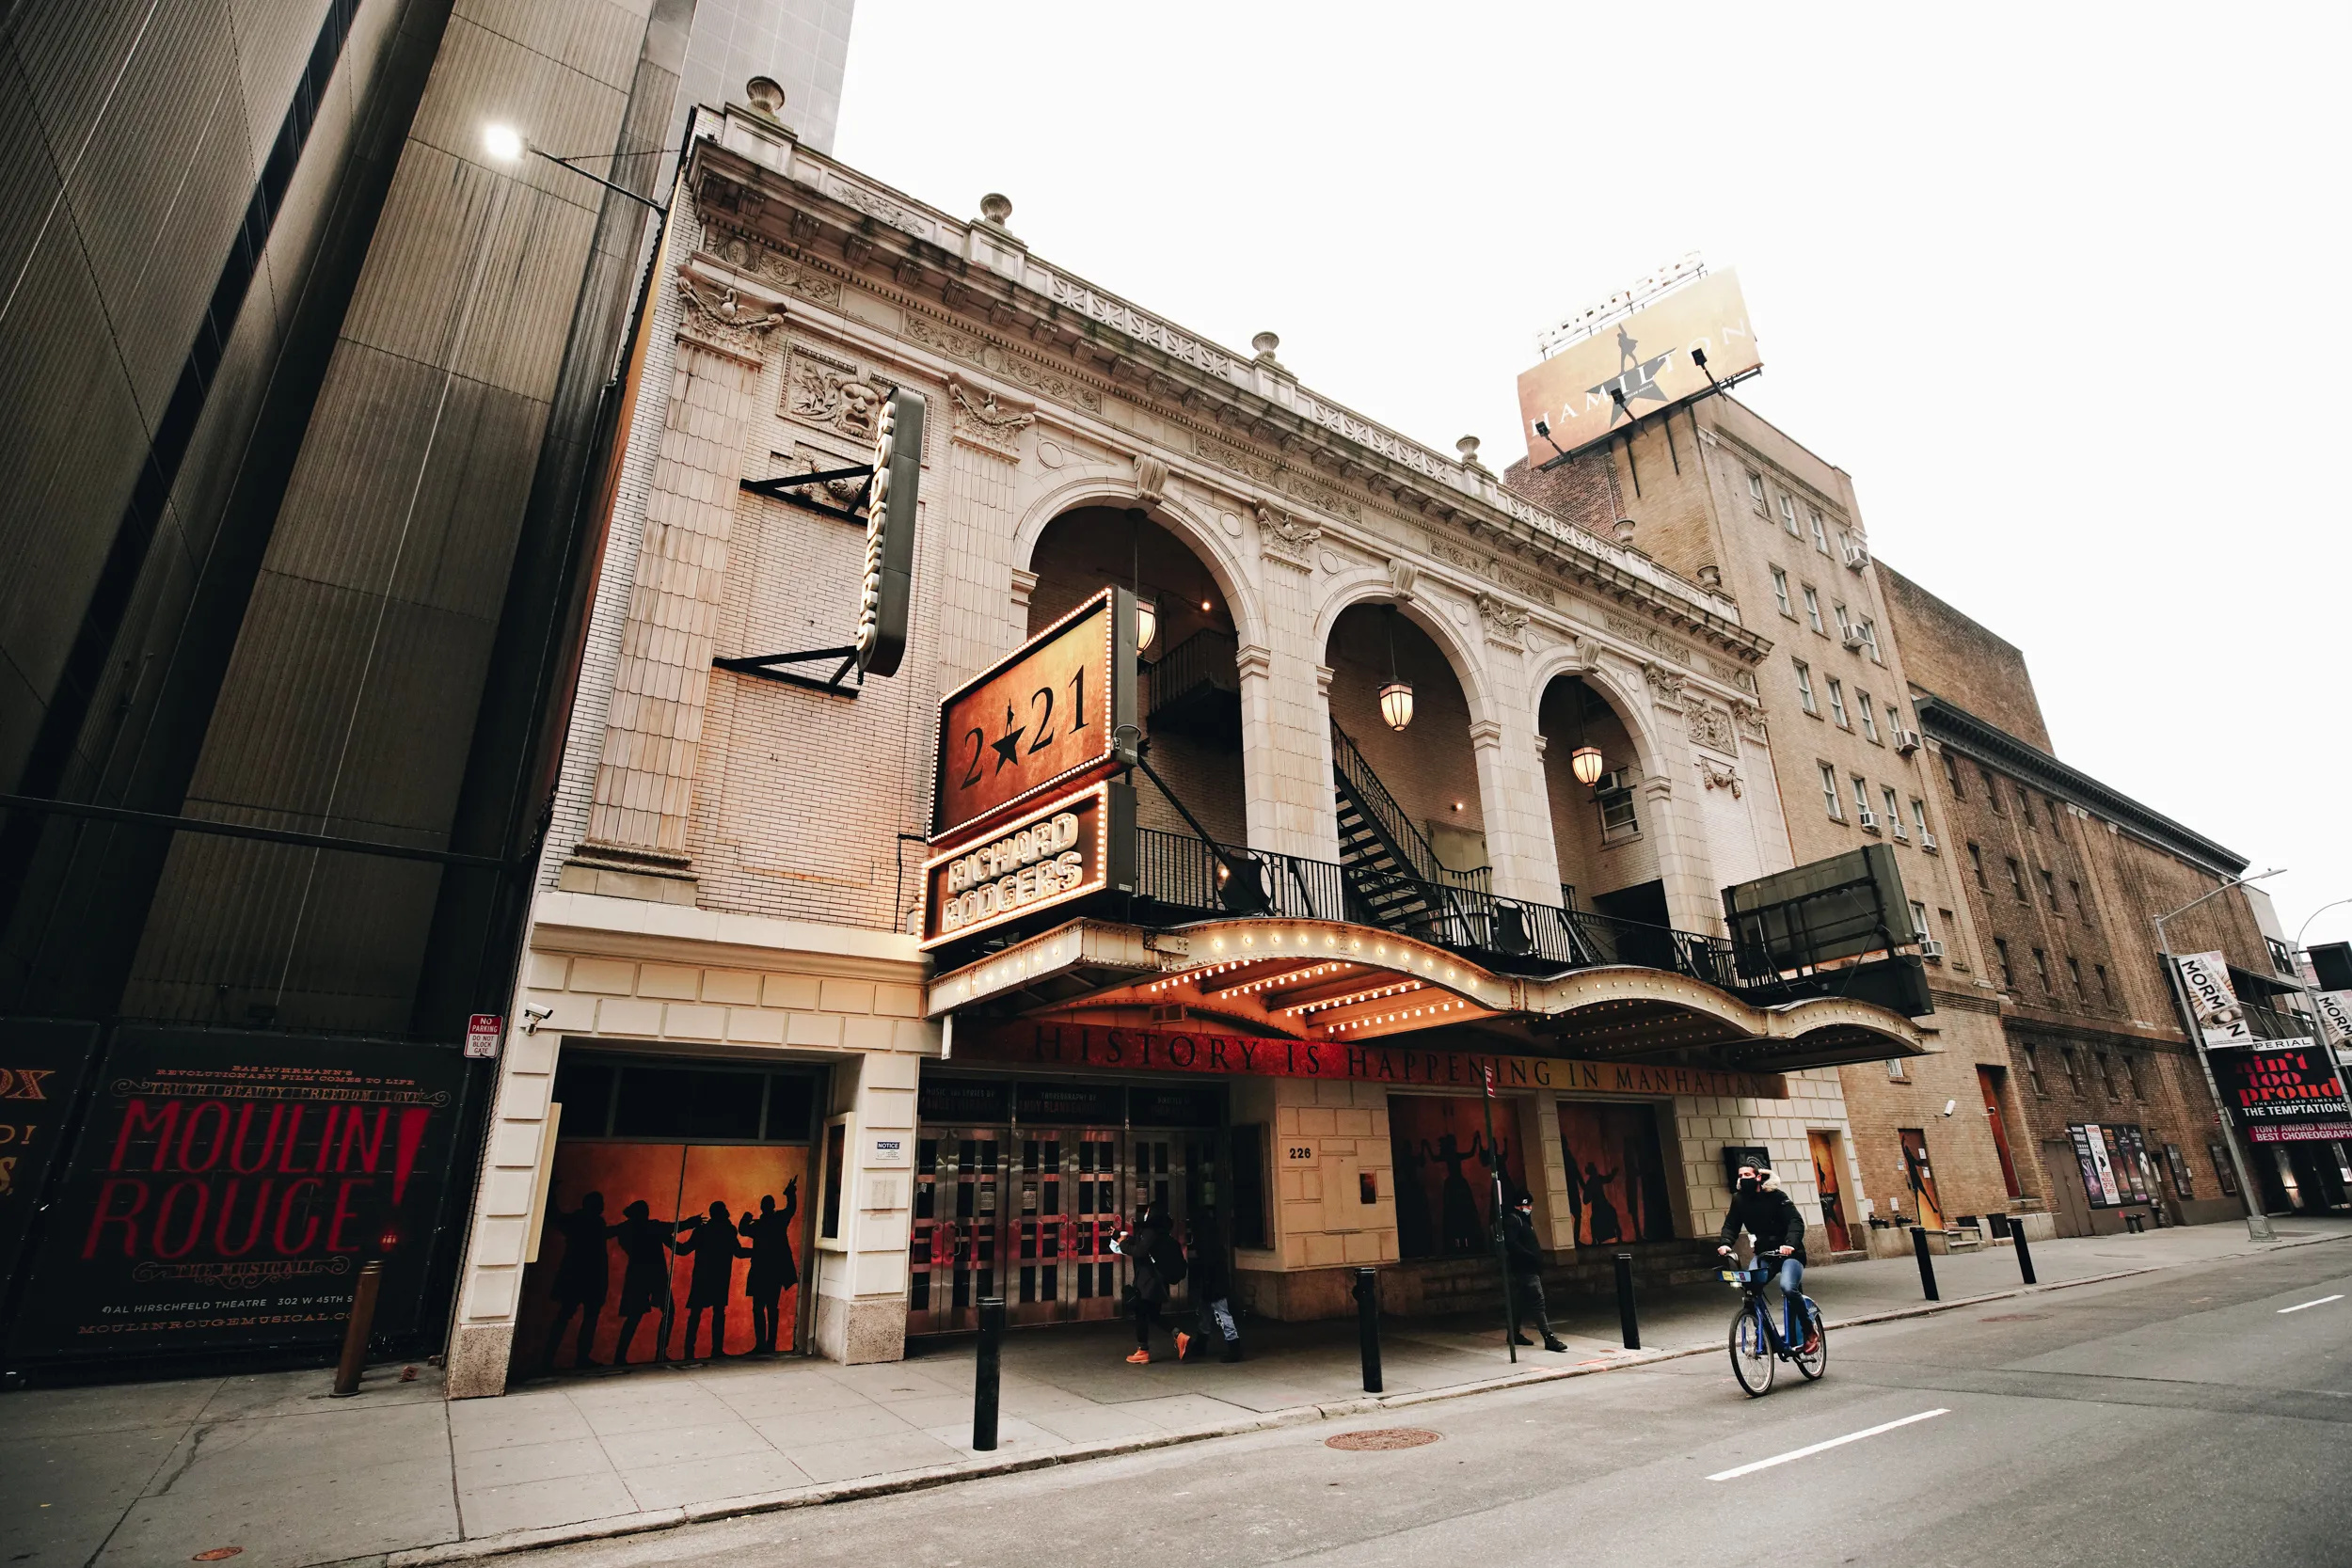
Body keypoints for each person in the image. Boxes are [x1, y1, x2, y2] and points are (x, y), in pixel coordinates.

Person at [1717, 1163, 1816, 1354]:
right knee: (1751, 1288)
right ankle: (1761, 1335)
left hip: (1789, 1253)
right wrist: (1726, 1243)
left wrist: (1790, 1244)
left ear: (1758, 1177)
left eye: (1748, 1174)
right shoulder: (1739, 1200)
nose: (1743, 1178)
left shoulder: (1776, 1196)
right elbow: (1731, 1224)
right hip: (1764, 1254)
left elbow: (1795, 1221)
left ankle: (1809, 1331)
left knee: (1788, 1287)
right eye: (1740, 1175)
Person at [541, 1189, 612, 1373]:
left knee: (567, 1316)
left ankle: (549, 1358)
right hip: (588, 1278)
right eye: (600, 1203)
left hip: (576, 1277)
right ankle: (577, 1358)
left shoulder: (578, 1220)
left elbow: (555, 1217)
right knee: (585, 1317)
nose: (602, 1207)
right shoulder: (594, 1222)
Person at [675, 1199, 748, 1360]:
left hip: (702, 1276)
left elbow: (683, 1250)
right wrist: (759, 1251)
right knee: (719, 1312)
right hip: (720, 1277)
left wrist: (666, 1239)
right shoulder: (729, 1230)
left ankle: (689, 1352)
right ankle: (716, 1350)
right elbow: (739, 1252)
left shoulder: (702, 1231)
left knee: (695, 1314)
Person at [611, 1198, 678, 1365]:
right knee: (666, 1311)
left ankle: (620, 1356)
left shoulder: (627, 1228)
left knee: (635, 1315)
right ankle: (659, 1353)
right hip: (654, 1274)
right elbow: (674, 1233)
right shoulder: (651, 1227)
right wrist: (692, 1224)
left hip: (639, 1275)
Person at [1114, 1202, 1183, 1364]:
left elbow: (1140, 1250)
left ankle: (1143, 1350)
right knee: (1152, 1314)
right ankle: (1179, 1336)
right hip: (1156, 1280)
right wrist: (1120, 1237)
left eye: (1148, 1211)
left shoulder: (1150, 1231)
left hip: (1148, 1280)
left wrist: (1123, 1245)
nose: (1145, 1213)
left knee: (1141, 1313)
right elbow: (1141, 1244)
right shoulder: (1161, 1231)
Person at [1502, 1193, 1566, 1353]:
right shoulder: (1514, 1220)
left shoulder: (1521, 1221)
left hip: (1525, 1268)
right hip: (1525, 1268)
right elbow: (1511, 1243)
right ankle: (1548, 1337)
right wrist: (1530, 1257)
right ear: (1519, 1205)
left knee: (1519, 1302)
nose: (1530, 1208)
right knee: (1538, 1300)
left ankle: (1514, 1334)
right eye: (1527, 1205)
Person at [741, 1180, 801, 1355]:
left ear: (762, 1207)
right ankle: (770, 1345)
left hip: (761, 1271)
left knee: (759, 1308)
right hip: (774, 1272)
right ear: (773, 1206)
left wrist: (745, 1218)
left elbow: (743, 1230)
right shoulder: (778, 1220)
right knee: (770, 1308)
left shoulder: (759, 1226)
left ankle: (762, 1345)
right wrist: (790, 1193)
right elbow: (791, 1208)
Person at [1177, 1212, 1241, 1363]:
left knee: (1221, 1314)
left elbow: (1208, 1265)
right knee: (1207, 1313)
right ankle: (1203, 1343)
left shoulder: (1206, 1245)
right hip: (1214, 1282)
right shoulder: (1214, 1242)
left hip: (1214, 1284)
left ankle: (1233, 1345)